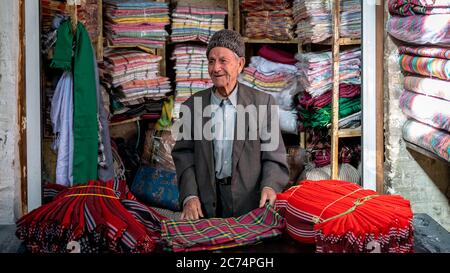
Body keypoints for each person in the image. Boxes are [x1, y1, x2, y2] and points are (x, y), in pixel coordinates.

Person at [171, 29, 289, 220]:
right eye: (211, 61)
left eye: (223, 61)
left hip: (250, 204)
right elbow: (184, 155)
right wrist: (190, 196)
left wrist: (270, 186)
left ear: (240, 64)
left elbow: (274, 156)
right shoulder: (192, 106)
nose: (216, 68)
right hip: (206, 205)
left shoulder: (262, 104)